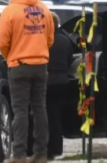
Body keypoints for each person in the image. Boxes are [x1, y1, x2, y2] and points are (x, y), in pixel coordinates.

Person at [0, 0, 56, 163]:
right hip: (40, 66)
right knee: (40, 109)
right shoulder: (44, 10)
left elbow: (2, 42)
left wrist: (10, 57)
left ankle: (20, 155)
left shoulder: (11, 11)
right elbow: (50, 39)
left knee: (20, 111)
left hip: (19, 66)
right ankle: (40, 154)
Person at [45, 12, 73, 161]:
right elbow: (69, 61)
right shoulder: (65, 40)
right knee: (57, 115)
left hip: (46, 81)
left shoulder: (43, 41)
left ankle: (46, 147)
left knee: (45, 115)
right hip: (62, 82)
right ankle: (57, 148)